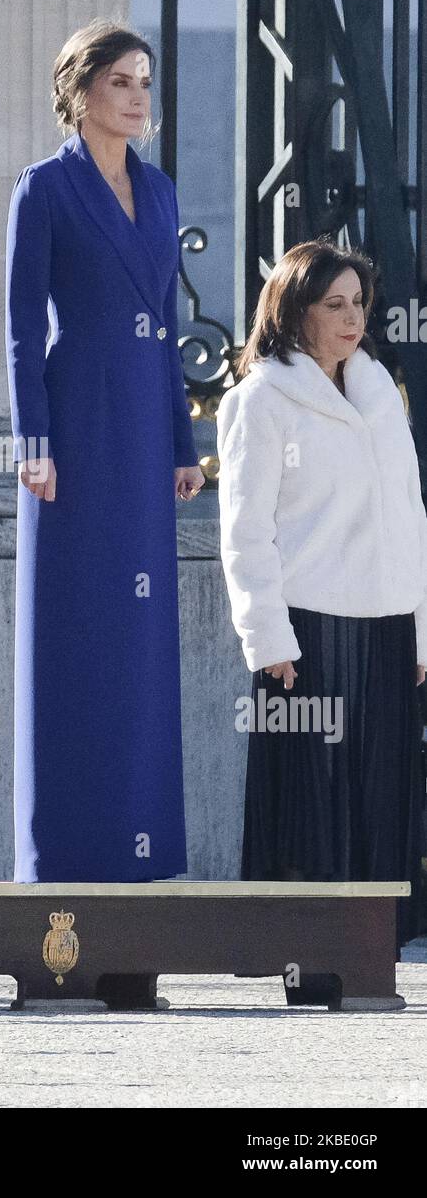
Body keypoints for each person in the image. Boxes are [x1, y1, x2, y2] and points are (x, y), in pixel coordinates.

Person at [5, 18, 205, 883]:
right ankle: (64, 858)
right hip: (76, 432)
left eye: (145, 83)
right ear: (81, 92)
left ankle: (144, 852)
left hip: (141, 439)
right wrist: (32, 440)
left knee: (140, 640)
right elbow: (19, 327)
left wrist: (182, 441)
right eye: (121, 82)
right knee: (75, 633)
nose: (138, 97)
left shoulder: (159, 193)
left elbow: (167, 331)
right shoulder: (43, 189)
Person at [217, 239, 427, 954]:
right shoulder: (259, 400)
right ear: (295, 311)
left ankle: (370, 956)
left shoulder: (380, 398)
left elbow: (410, 516)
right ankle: (303, 956)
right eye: (334, 305)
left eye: (360, 304)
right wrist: (267, 637)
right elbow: (245, 531)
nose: (352, 319)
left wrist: (422, 634)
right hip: (307, 630)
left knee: (379, 795)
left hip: (388, 627)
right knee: (311, 799)